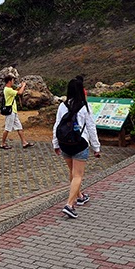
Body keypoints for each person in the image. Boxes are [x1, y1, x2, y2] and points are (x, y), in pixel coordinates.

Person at [52, 77, 101, 219]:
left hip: (65, 144)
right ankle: (69, 205)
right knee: (78, 175)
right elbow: (91, 128)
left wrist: (55, 144)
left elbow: (56, 126)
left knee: (73, 173)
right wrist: (96, 148)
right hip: (80, 144)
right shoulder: (85, 107)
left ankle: (79, 196)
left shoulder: (62, 106)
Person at [0, 75, 34, 149]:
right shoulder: (8, 89)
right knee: (7, 128)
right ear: (9, 81)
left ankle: (24, 142)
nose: (13, 82)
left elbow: (16, 91)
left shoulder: (9, 89)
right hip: (10, 112)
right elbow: (20, 93)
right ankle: (2, 143)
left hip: (13, 111)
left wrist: (20, 87)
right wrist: (23, 86)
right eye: (12, 80)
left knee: (19, 127)